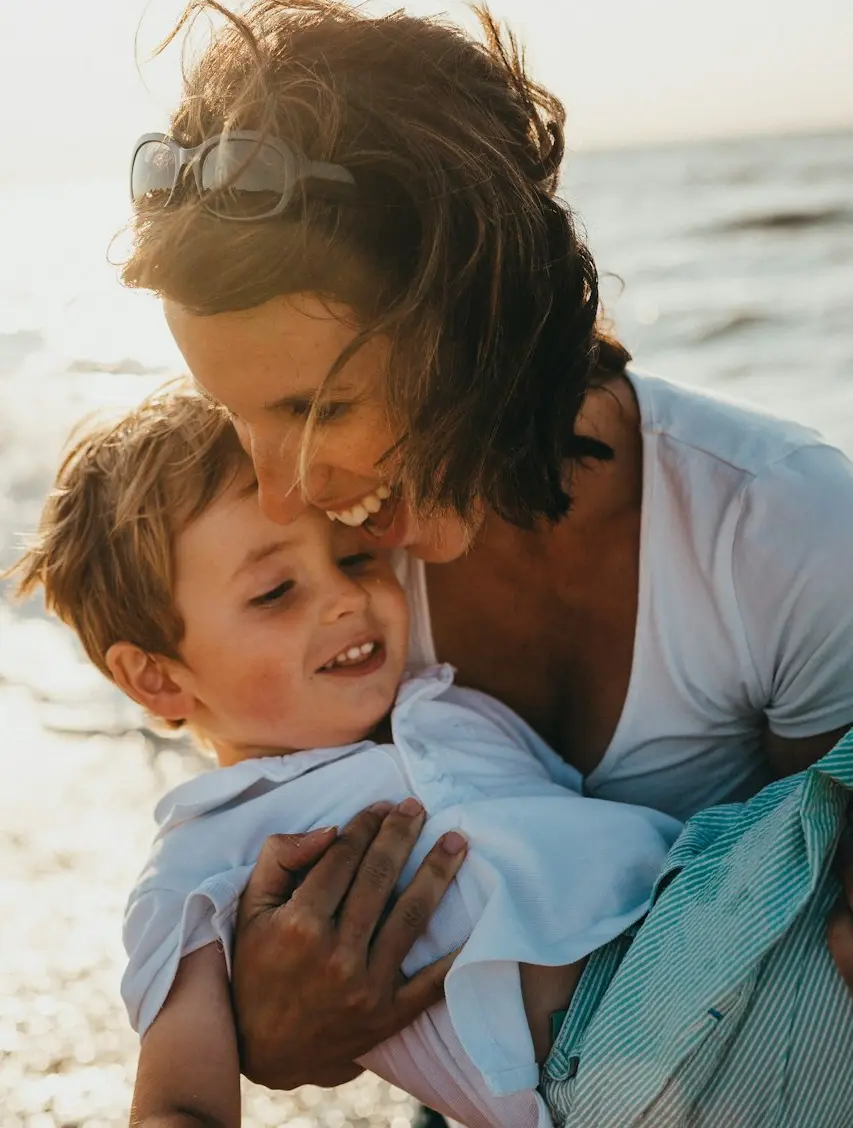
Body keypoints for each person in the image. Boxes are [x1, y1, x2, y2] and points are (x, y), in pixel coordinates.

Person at [120, 0, 853, 1100]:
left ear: (480, 328)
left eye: (319, 409)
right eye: (236, 415)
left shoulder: (775, 527)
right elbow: (266, 871)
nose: (281, 488)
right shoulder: (328, 583)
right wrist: (270, 1028)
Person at [12, 385, 680, 1128]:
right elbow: (179, 1105)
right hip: (620, 1066)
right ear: (157, 677)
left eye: (357, 557)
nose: (345, 598)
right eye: (275, 592)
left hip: (699, 903)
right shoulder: (203, 860)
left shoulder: (448, 702)